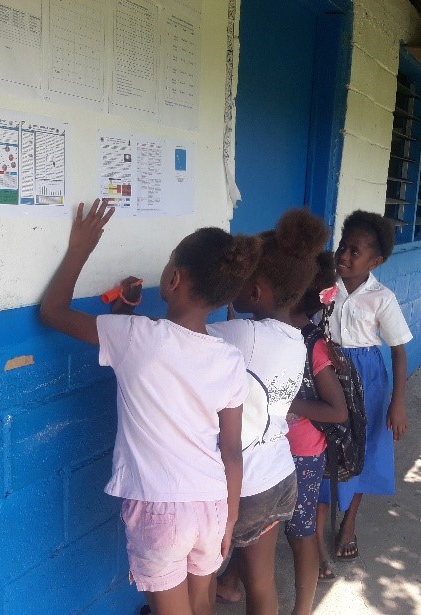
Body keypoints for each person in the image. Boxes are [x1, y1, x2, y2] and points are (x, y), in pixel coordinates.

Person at [39, 199, 262, 615]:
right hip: (213, 504)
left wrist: (80, 250)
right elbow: (231, 451)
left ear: (173, 278)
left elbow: (53, 312)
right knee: (200, 605)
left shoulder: (134, 338)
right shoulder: (229, 357)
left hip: (161, 508)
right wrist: (230, 518)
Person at [209, 208, 329, 615]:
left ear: (256, 292)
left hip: (242, 486)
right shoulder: (296, 339)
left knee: (200, 575)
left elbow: (181, 335)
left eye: (238, 281)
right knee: (260, 583)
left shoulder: (241, 334)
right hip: (280, 477)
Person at [315, 210, 412, 574]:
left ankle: (349, 522)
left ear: (376, 261)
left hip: (368, 379)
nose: (343, 256)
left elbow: (399, 350)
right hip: (326, 374)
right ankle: (318, 539)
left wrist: (397, 403)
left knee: (363, 447)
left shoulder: (381, 298)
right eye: (342, 246)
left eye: (354, 251)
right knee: (324, 451)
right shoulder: (325, 287)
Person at [285, 251, 348, 613]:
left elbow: (337, 411)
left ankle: (303, 609)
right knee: (259, 527)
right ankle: (231, 582)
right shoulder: (262, 331)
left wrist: (287, 403)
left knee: (300, 530)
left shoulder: (314, 344)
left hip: (303, 453)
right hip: (268, 449)